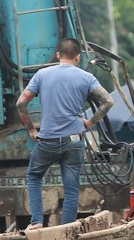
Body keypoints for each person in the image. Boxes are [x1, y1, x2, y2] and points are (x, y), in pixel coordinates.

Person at [15, 38, 114, 230]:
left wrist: (32, 129)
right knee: (71, 189)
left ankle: (36, 222)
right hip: (74, 140)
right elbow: (108, 101)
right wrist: (90, 122)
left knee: (35, 176)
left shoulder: (42, 74)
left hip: (48, 139)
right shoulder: (86, 77)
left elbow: (21, 103)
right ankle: (66, 230)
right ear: (78, 57)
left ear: (58, 55)